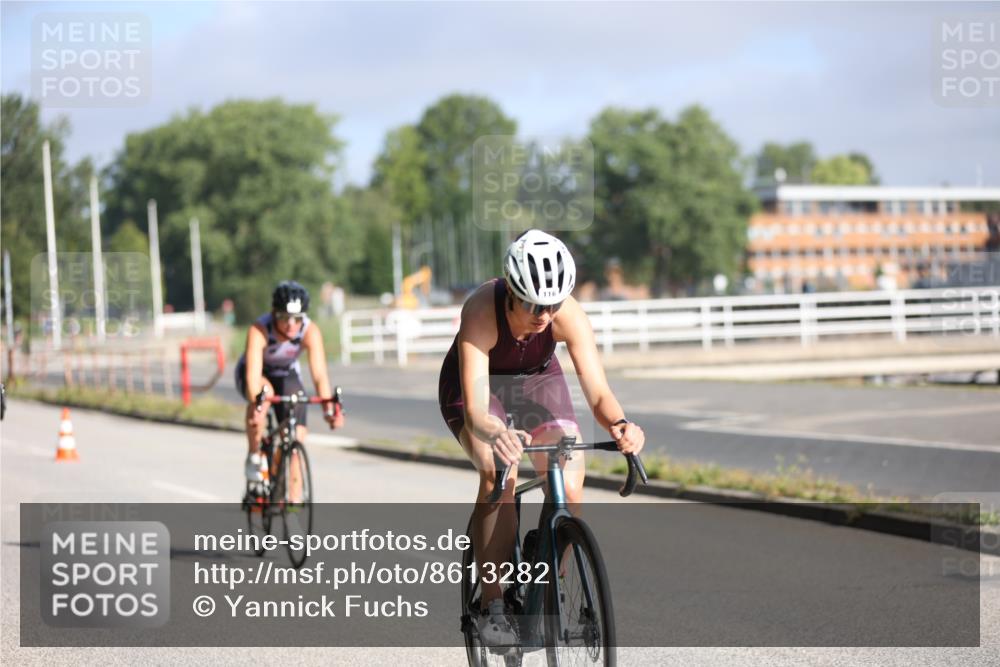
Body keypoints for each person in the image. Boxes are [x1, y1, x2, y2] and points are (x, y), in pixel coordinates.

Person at [438, 229, 645, 647]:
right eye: (534, 304)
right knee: (500, 472)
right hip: (478, 390)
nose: (543, 314)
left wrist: (621, 424)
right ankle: (493, 605)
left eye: (552, 304)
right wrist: (498, 433)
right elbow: (478, 410)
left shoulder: (565, 313)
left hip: (536, 383)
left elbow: (599, 392)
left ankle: (549, 563)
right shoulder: (481, 309)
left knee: (569, 476)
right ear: (512, 292)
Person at [235, 280, 344, 494]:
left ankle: (291, 505)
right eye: (284, 318)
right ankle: (254, 455)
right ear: (274, 314)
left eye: (297, 319)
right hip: (259, 374)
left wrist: (329, 410)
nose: (291, 325)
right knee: (264, 395)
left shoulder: (310, 331)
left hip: (286, 374)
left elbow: (320, 375)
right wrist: (256, 407)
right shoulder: (259, 330)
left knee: (297, 437)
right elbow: (253, 379)